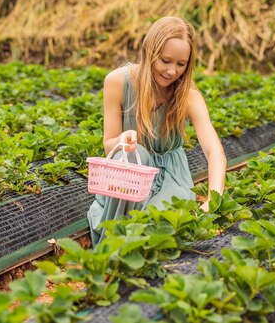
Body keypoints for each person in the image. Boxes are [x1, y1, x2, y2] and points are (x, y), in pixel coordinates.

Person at [87, 16, 227, 246]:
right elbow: (108, 144)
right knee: (137, 153)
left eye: (181, 64)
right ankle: (111, 247)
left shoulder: (188, 95)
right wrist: (123, 140)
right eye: (165, 60)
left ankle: (124, 248)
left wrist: (214, 197)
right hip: (130, 173)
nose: (172, 71)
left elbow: (214, 151)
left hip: (169, 175)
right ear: (149, 52)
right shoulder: (117, 82)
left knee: (155, 228)